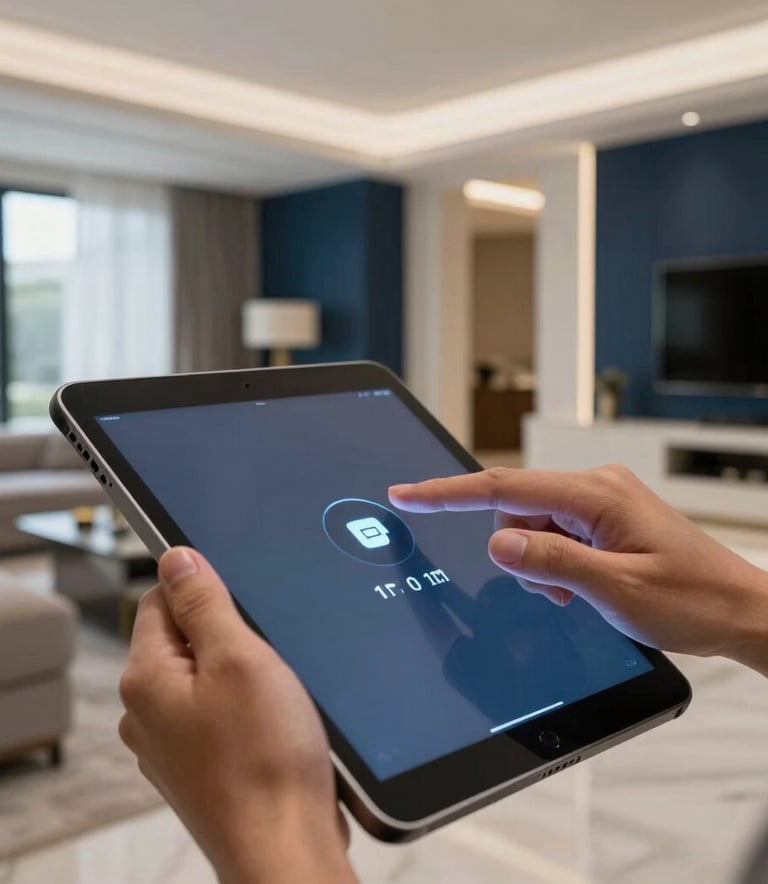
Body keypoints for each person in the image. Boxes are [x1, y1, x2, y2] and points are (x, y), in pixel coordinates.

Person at [118, 465, 768, 883]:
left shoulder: (492, 649)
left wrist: (272, 832)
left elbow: (444, 617)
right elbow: (443, 613)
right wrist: (745, 610)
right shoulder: (486, 647)